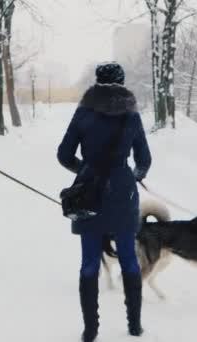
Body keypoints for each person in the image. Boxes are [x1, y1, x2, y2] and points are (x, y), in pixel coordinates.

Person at [57, 62, 152, 341]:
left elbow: (64, 154)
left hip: (90, 191)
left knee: (89, 263)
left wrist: (86, 171)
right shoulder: (131, 115)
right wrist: (132, 176)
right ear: (121, 83)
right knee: (129, 260)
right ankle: (134, 326)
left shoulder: (83, 113)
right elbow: (144, 161)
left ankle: (90, 329)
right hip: (122, 191)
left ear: (97, 82)